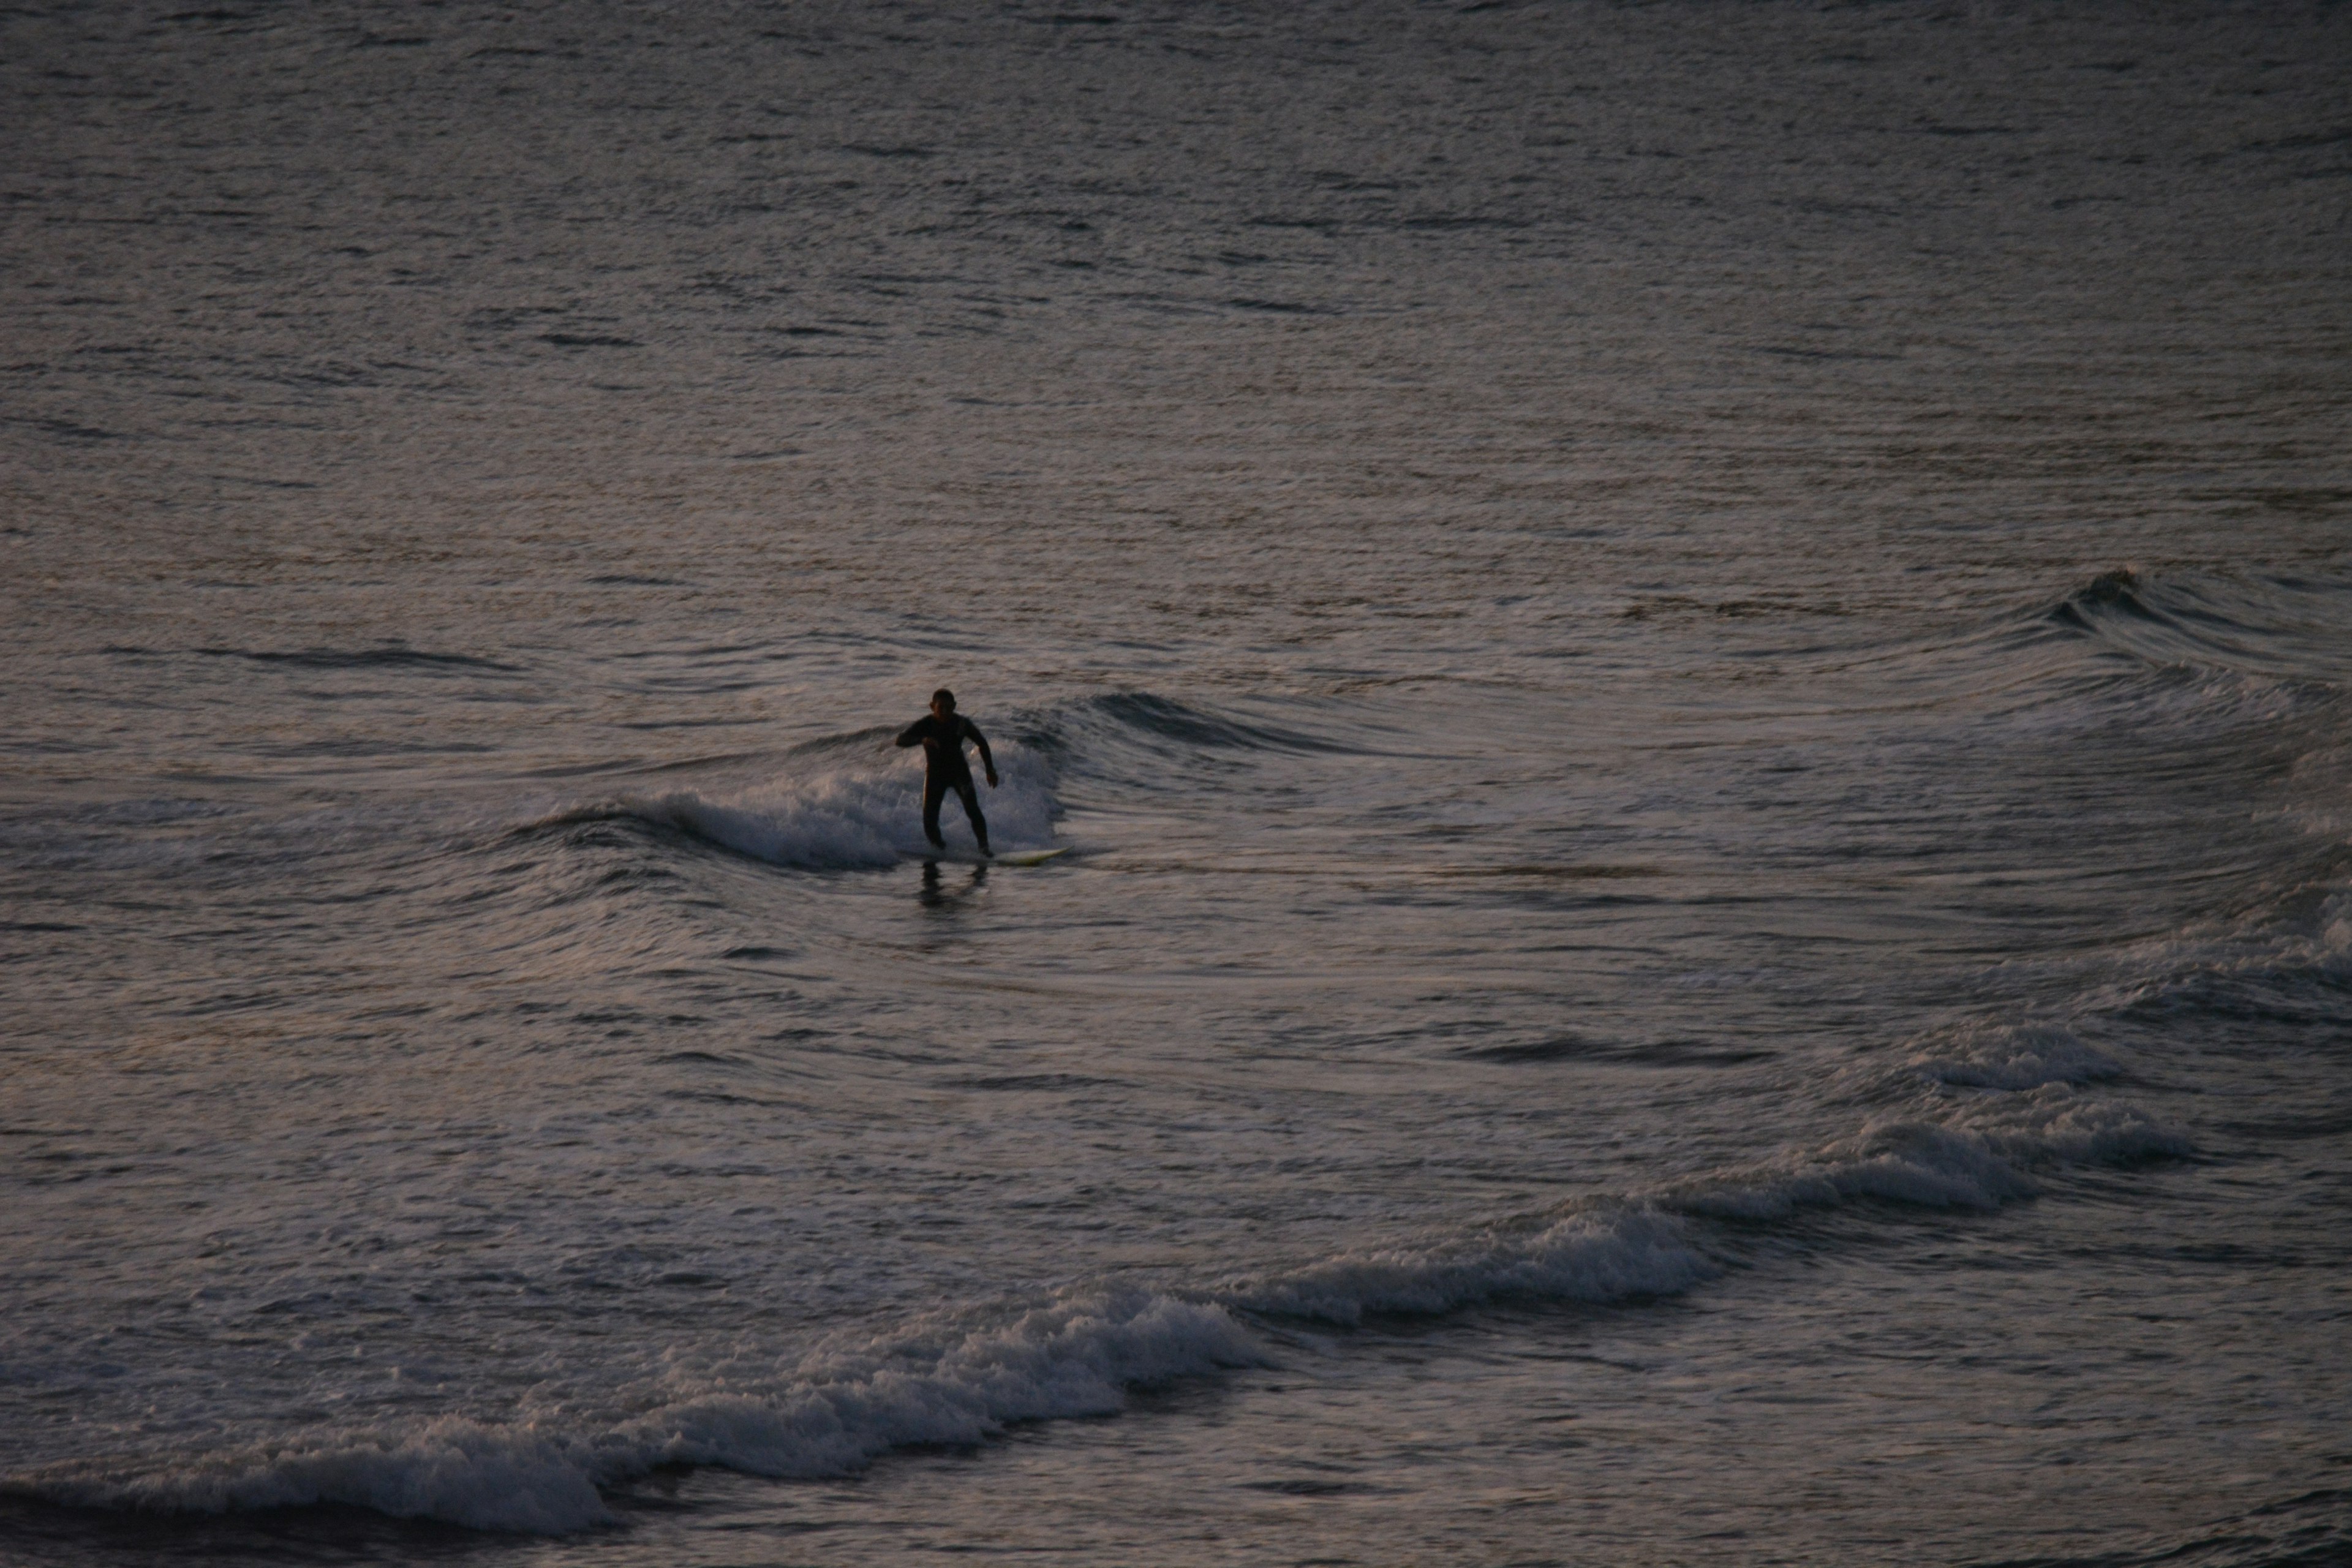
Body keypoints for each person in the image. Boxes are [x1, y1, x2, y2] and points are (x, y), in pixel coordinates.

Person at [894, 688, 997, 856]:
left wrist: (990, 770)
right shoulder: (926, 724)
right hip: (935, 776)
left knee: (973, 810)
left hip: (959, 773)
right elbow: (900, 740)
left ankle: (984, 847)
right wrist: (922, 739)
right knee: (929, 821)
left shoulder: (962, 724)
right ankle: (940, 849)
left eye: (949, 708)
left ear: (955, 706)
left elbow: (982, 743)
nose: (945, 712)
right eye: (940, 708)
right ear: (932, 706)